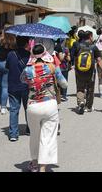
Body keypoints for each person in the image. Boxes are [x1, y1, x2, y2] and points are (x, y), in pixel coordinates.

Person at [21, 44, 68, 172]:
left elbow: (22, 80)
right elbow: (64, 84)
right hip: (49, 105)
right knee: (48, 136)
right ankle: (43, 167)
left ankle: (34, 163)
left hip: (32, 106)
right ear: (45, 53)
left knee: (34, 135)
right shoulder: (52, 66)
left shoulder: (28, 69)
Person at [71, 31, 102, 115]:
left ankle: (81, 102)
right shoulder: (94, 47)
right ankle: (88, 106)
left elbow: (73, 57)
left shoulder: (77, 46)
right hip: (91, 72)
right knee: (90, 89)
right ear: (90, 36)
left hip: (79, 71)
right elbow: (99, 60)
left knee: (80, 87)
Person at [6, 36, 31, 142]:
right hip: (26, 86)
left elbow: (8, 67)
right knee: (28, 108)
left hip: (12, 85)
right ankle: (29, 129)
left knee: (13, 109)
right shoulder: (29, 55)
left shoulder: (10, 54)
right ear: (26, 44)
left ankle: (13, 134)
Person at [0, 26, 15, 115]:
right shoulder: (12, 41)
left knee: (0, 85)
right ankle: (4, 107)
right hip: (7, 64)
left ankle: (0, 104)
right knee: (5, 86)